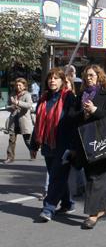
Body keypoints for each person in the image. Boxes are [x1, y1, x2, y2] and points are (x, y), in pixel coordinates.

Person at [30, 68, 77, 222]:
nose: (52, 81)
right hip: (47, 144)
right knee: (58, 177)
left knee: (56, 178)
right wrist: (34, 145)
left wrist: (72, 146)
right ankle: (68, 203)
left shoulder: (68, 97)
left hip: (63, 145)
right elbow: (38, 123)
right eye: (50, 78)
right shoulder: (43, 98)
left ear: (63, 81)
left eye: (56, 78)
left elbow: (73, 122)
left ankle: (48, 208)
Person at [74, 64, 106, 229]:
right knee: (91, 177)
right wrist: (83, 114)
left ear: (99, 76)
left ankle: (92, 215)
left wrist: (94, 110)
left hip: (104, 143)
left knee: (96, 179)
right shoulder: (82, 94)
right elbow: (75, 117)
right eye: (86, 76)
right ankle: (100, 211)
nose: (88, 78)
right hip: (86, 142)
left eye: (91, 75)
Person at [5, 78, 34, 163]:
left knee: (28, 140)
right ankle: (10, 157)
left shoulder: (27, 95)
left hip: (23, 120)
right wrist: (11, 107)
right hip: (14, 121)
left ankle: (33, 152)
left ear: (24, 86)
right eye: (17, 85)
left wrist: (18, 103)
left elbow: (29, 105)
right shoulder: (13, 94)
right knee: (11, 140)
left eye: (20, 85)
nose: (18, 87)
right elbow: (7, 106)